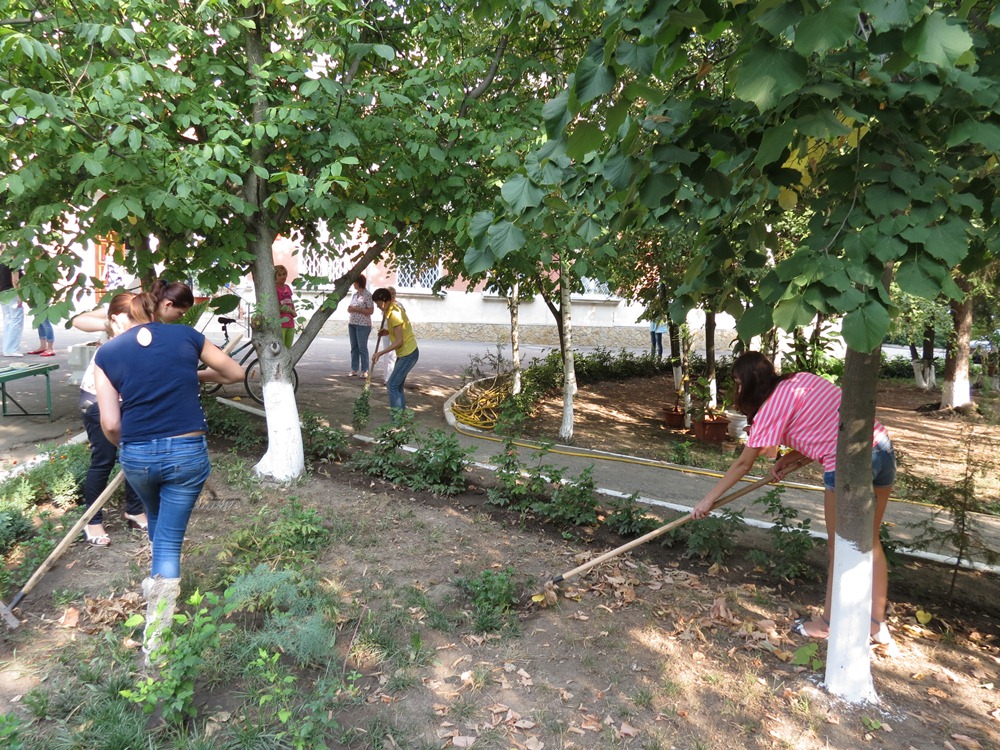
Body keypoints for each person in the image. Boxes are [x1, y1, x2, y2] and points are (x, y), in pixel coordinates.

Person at [691, 351, 895, 644]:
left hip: (847, 464)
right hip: (880, 447)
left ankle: (826, 624)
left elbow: (743, 464)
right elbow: (829, 427)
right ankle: (876, 625)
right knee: (870, 542)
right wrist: (789, 459)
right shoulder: (801, 380)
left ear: (748, 383)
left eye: (737, 382)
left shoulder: (769, 408)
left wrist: (707, 500)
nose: (737, 389)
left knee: (840, 546)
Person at [94, 291, 244, 662]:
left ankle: (156, 588)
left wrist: (131, 448)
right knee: (168, 542)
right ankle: (157, 640)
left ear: (121, 318)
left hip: (137, 455)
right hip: (186, 453)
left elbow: (110, 424)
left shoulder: (107, 353)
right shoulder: (186, 336)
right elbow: (235, 373)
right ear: (156, 310)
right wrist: (192, 373)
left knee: (158, 525)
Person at [71, 293, 147, 545]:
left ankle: (134, 511)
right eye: (132, 317)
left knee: (136, 456)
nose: (138, 323)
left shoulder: (144, 329)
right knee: (103, 461)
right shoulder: (111, 329)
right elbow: (78, 320)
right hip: (96, 401)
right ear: (117, 317)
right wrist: (107, 322)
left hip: (128, 401)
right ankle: (92, 522)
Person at [370, 287, 419, 414]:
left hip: (408, 354)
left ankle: (397, 420)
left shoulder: (394, 314)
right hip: (405, 353)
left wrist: (380, 353)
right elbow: (400, 331)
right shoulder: (391, 310)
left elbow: (399, 341)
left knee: (392, 385)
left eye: (378, 303)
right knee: (397, 386)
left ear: (386, 301)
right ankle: (401, 418)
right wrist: (387, 331)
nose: (378, 306)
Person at [346, 274, 374, 377]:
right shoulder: (354, 294)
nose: (353, 284)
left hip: (363, 324)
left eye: (354, 282)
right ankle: (354, 369)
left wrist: (356, 309)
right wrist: (350, 309)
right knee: (354, 347)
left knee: (362, 347)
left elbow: (370, 311)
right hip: (352, 323)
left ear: (358, 283)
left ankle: (365, 370)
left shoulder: (367, 295)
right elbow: (349, 308)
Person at [0, 262, 24, 357]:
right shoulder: (14, 263)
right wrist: (19, 295)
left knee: (8, 321)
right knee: (16, 320)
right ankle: (12, 349)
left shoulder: (2, 262)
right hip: (12, 293)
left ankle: (7, 348)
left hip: (2, 293)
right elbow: (15, 280)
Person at [381, 286, 400, 384]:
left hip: (394, 332)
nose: (392, 296)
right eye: (390, 294)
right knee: (386, 353)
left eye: (393, 294)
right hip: (385, 331)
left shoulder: (398, 305)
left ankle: (390, 378)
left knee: (392, 355)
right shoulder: (385, 305)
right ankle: (386, 376)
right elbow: (384, 319)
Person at [275, 265, 295, 348]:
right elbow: (278, 306)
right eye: (279, 275)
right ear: (275, 277)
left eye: (284, 274)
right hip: (281, 323)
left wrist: (294, 311)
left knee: (288, 347)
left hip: (290, 322)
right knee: (281, 347)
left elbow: (291, 301)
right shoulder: (275, 288)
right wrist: (291, 311)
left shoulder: (287, 287)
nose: (283, 277)